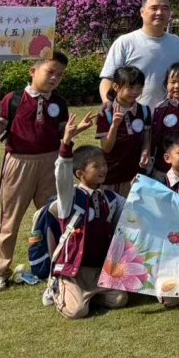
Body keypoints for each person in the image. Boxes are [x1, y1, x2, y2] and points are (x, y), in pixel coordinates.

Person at [0, 55, 69, 293]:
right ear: (33, 71)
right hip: (19, 162)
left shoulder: (59, 102)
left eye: (60, 75)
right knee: (10, 220)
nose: (54, 78)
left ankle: (56, 266)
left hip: (50, 162)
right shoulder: (13, 99)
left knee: (53, 216)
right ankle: (0, 272)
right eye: (50, 72)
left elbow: (63, 134)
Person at [49, 113, 128, 319]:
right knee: (76, 312)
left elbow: (133, 209)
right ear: (80, 174)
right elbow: (61, 175)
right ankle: (57, 287)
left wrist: (140, 189)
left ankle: (90, 296)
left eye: (104, 164)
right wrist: (66, 142)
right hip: (74, 269)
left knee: (119, 299)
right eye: (96, 166)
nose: (103, 169)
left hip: (99, 268)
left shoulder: (110, 198)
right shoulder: (70, 198)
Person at [99, 0, 179, 110]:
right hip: (134, 116)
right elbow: (108, 79)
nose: (159, 12)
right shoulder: (125, 42)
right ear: (142, 12)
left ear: (170, 13)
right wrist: (108, 103)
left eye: (165, 8)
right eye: (154, 8)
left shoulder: (177, 43)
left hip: (170, 116)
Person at [97, 65, 151, 195]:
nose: (135, 92)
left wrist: (145, 151)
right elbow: (106, 148)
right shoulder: (106, 113)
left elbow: (147, 135)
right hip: (111, 175)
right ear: (116, 87)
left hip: (135, 175)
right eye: (130, 87)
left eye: (139, 87)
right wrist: (114, 126)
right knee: (112, 206)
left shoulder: (144, 110)